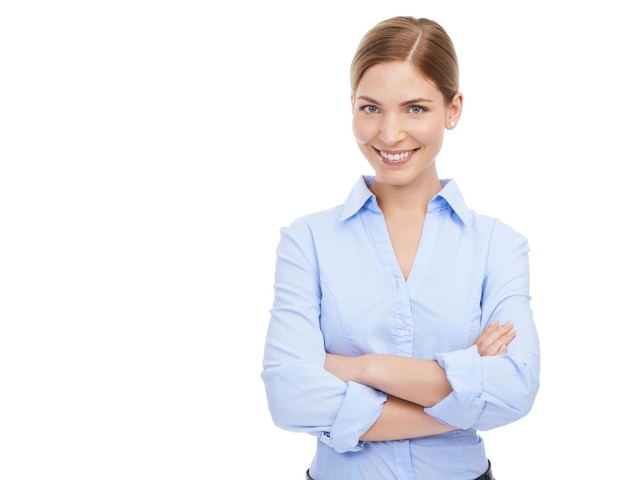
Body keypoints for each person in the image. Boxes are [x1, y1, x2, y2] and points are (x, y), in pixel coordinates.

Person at [261, 15, 540, 480]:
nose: (389, 134)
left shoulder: (499, 245)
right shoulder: (306, 241)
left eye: (415, 108)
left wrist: (361, 368)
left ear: (453, 110)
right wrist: (461, 391)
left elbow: (515, 389)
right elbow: (290, 396)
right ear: (351, 105)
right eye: (371, 108)